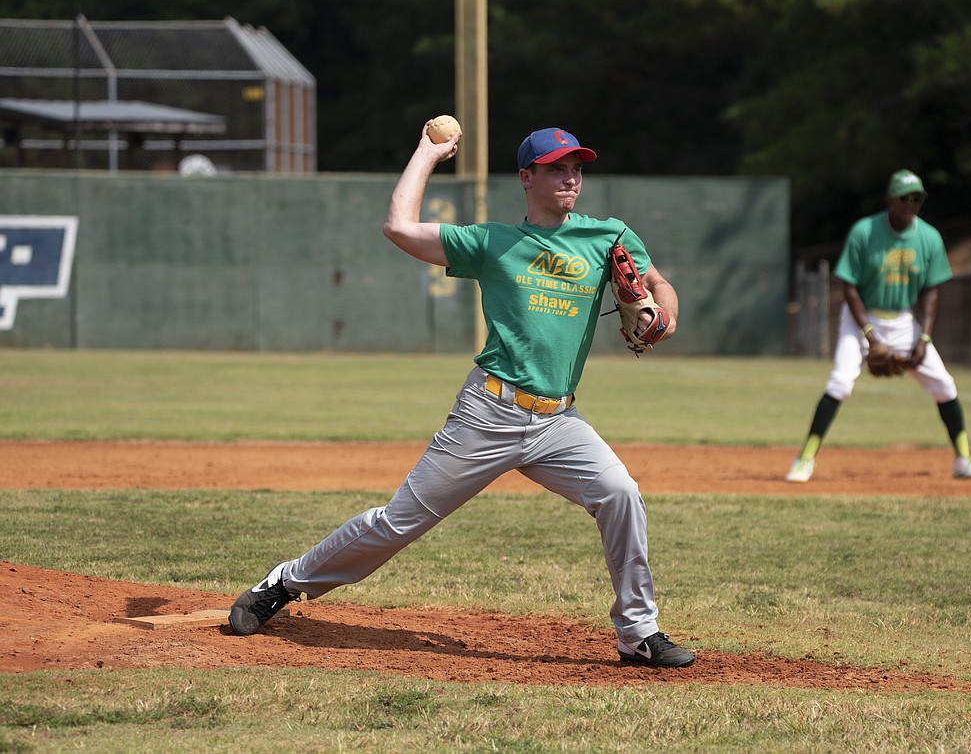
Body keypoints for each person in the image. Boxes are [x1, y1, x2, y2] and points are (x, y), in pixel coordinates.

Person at [228, 124, 696, 669]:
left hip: (557, 421)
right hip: (489, 412)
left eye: (576, 167)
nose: (570, 176)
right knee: (398, 522)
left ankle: (638, 633)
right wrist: (428, 153)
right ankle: (285, 581)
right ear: (527, 177)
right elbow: (398, 227)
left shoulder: (608, 236)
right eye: (556, 168)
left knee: (620, 493)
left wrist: (664, 317)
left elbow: (659, 286)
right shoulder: (493, 243)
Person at [785, 169, 971, 483]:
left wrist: (924, 337)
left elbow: (931, 290)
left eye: (917, 197)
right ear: (890, 199)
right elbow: (848, 287)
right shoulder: (865, 232)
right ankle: (804, 459)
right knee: (841, 383)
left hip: (903, 320)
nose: (911, 203)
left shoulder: (929, 237)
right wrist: (870, 336)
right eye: (904, 197)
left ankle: (964, 460)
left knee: (945, 387)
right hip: (860, 318)